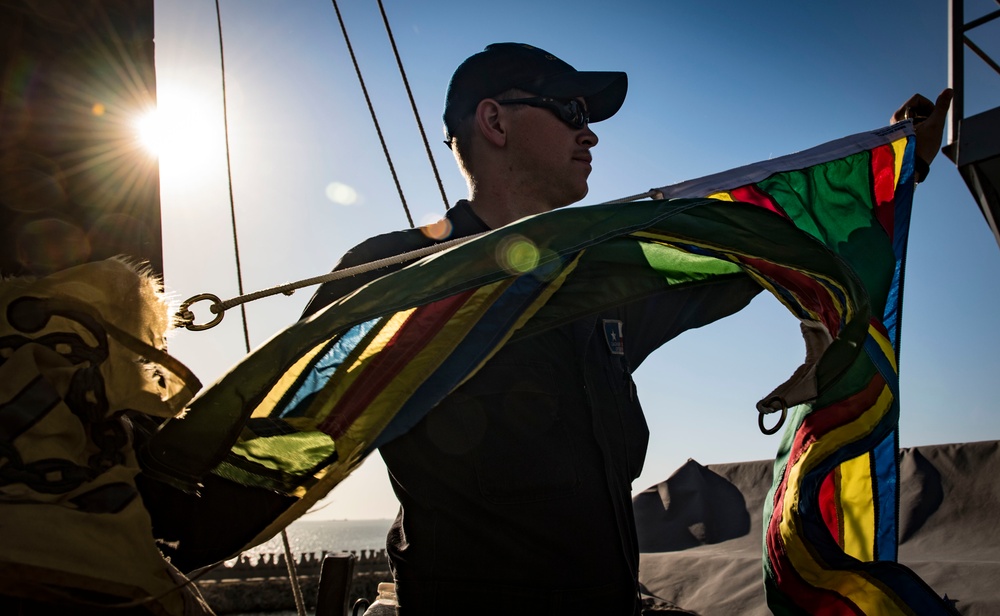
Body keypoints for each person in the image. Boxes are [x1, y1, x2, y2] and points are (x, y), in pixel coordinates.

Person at [301, 43, 952, 615]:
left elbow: (754, 254)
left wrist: (894, 165)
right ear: (494, 120)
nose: (591, 136)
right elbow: (287, 431)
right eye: (572, 111)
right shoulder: (393, 280)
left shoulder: (604, 281)